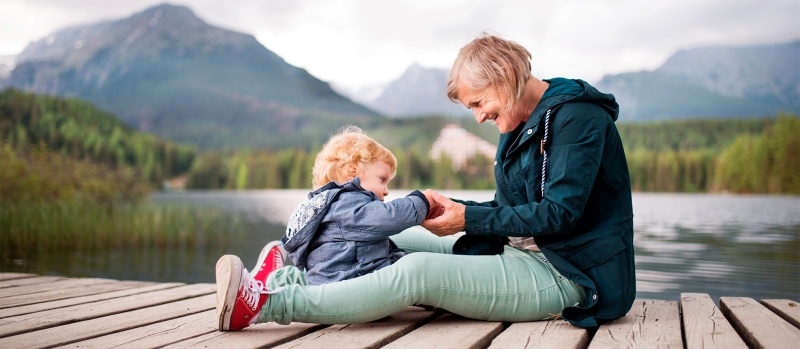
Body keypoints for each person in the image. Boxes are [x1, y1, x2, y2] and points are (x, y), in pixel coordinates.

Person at [215, 33, 634, 333]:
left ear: (505, 75)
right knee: (397, 238)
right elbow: (510, 207)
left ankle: (268, 305)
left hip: (569, 274)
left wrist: (469, 218)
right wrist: (447, 207)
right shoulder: (517, 123)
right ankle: (287, 276)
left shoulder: (578, 118)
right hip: (522, 252)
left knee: (416, 270)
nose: (478, 116)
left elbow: (559, 214)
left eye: (478, 102)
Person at [216, 126, 435, 330]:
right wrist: (419, 202)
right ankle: (255, 306)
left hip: (328, 275)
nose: (386, 191)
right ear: (353, 172)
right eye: (382, 179)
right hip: (347, 281)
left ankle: (272, 280)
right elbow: (387, 218)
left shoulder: (326, 204)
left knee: (305, 278)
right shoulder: (350, 203)